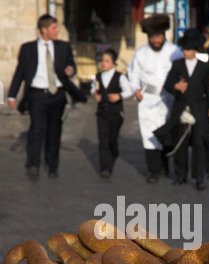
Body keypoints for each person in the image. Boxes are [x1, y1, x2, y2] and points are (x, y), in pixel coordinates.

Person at [7, 14, 86, 179]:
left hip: (57, 94)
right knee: (36, 129)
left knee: (54, 131)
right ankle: (33, 163)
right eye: (54, 28)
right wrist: (12, 95)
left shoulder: (63, 47)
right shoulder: (28, 48)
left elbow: (71, 64)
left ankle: (52, 165)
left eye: (57, 27)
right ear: (44, 30)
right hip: (37, 94)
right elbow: (20, 72)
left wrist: (70, 69)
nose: (57, 31)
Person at [154, 28, 209, 190]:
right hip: (180, 109)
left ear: (195, 50)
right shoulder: (177, 65)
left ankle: (199, 177)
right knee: (179, 143)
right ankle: (181, 174)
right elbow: (167, 84)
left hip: (198, 109)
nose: (185, 52)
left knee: (198, 144)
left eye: (188, 49)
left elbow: (208, 88)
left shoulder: (203, 66)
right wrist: (176, 86)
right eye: (184, 49)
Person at [127, 14, 183, 183]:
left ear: (164, 35)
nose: (156, 40)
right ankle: (153, 171)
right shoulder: (141, 53)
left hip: (169, 99)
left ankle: (166, 166)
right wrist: (136, 89)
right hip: (148, 99)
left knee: (167, 133)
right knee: (149, 136)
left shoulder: (174, 51)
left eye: (158, 36)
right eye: (153, 37)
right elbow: (132, 73)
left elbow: (182, 72)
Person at [90, 49, 133, 178]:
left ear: (113, 63)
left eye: (107, 61)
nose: (104, 63)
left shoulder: (120, 77)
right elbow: (94, 88)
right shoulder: (98, 77)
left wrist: (118, 96)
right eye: (102, 60)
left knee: (112, 139)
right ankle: (106, 168)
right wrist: (95, 95)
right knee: (103, 140)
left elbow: (128, 91)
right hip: (102, 112)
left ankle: (114, 151)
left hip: (115, 113)